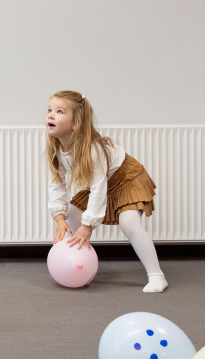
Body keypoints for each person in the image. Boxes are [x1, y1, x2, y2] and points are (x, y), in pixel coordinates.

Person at [46, 90, 167, 293]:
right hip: (104, 182)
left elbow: (98, 188)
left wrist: (88, 227)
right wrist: (59, 218)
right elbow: (56, 185)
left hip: (126, 178)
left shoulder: (92, 150)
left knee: (129, 223)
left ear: (75, 123)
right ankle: (79, 264)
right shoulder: (56, 149)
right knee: (74, 213)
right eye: (49, 110)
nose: (50, 114)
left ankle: (157, 275)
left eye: (59, 111)